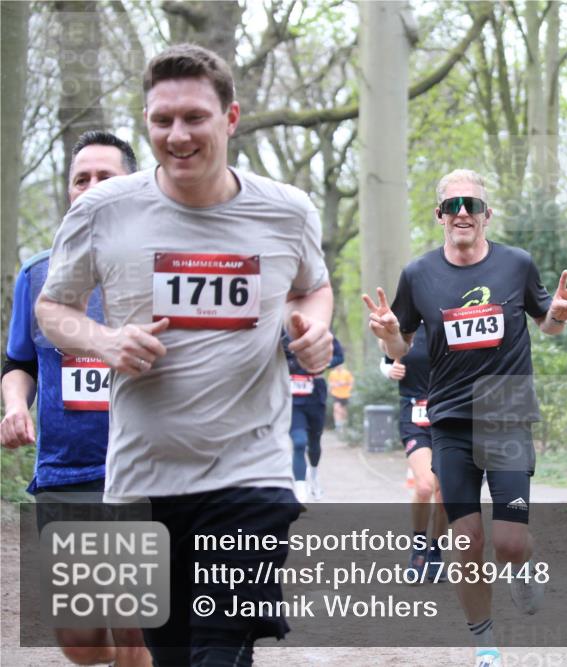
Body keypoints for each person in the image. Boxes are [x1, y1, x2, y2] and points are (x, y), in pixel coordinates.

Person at [35, 44, 333, 666]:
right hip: (146, 476)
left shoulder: (286, 211)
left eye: (194, 117)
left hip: (250, 469)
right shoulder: (102, 211)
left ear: (230, 118)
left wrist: (314, 330)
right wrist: (105, 340)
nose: (177, 135)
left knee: (220, 646)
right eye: (161, 120)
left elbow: (312, 285)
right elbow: (52, 310)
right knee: (172, 655)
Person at [363, 169, 567, 667]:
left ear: (486, 214)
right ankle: (485, 645)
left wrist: (561, 315)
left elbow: (548, 325)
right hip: (451, 423)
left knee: (507, 542)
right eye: (454, 204)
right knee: (466, 542)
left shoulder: (516, 265)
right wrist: (389, 334)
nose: (463, 212)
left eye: (473, 204)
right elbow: (400, 346)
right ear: (440, 214)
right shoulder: (418, 275)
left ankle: (521, 565)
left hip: (506, 418)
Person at [2, 131, 150, 667]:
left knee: (135, 625)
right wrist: (16, 406)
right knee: (81, 639)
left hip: (142, 471)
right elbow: (18, 363)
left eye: (104, 177)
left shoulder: (166, 269)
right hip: (66, 473)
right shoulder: (38, 274)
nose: (89, 188)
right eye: (80, 179)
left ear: (133, 187)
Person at [378, 325, 448, 581]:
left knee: (444, 494)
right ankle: (418, 546)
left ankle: (436, 553)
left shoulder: (451, 324)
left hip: (448, 418)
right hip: (414, 416)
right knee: (425, 487)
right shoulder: (405, 327)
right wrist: (389, 370)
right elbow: (385, 358)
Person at [286, 335, 342, 501]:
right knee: (299, 442)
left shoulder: (321, 330)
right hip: (292, 397)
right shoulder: (282, 331)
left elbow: (339, 356)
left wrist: (321, 363)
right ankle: (300, 491)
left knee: (314, 443)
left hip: (315, 395)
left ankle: (314, 476)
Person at [327, 363, 354, 430]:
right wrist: (331, 387)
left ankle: (344, 423)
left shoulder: (347, 373)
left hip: (345, 394)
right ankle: (338, 425)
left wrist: (345, 384)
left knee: (343, 410)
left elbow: (351, 383)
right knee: (336, 408)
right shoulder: (332, 373)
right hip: (336, 394)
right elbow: (330, 383)